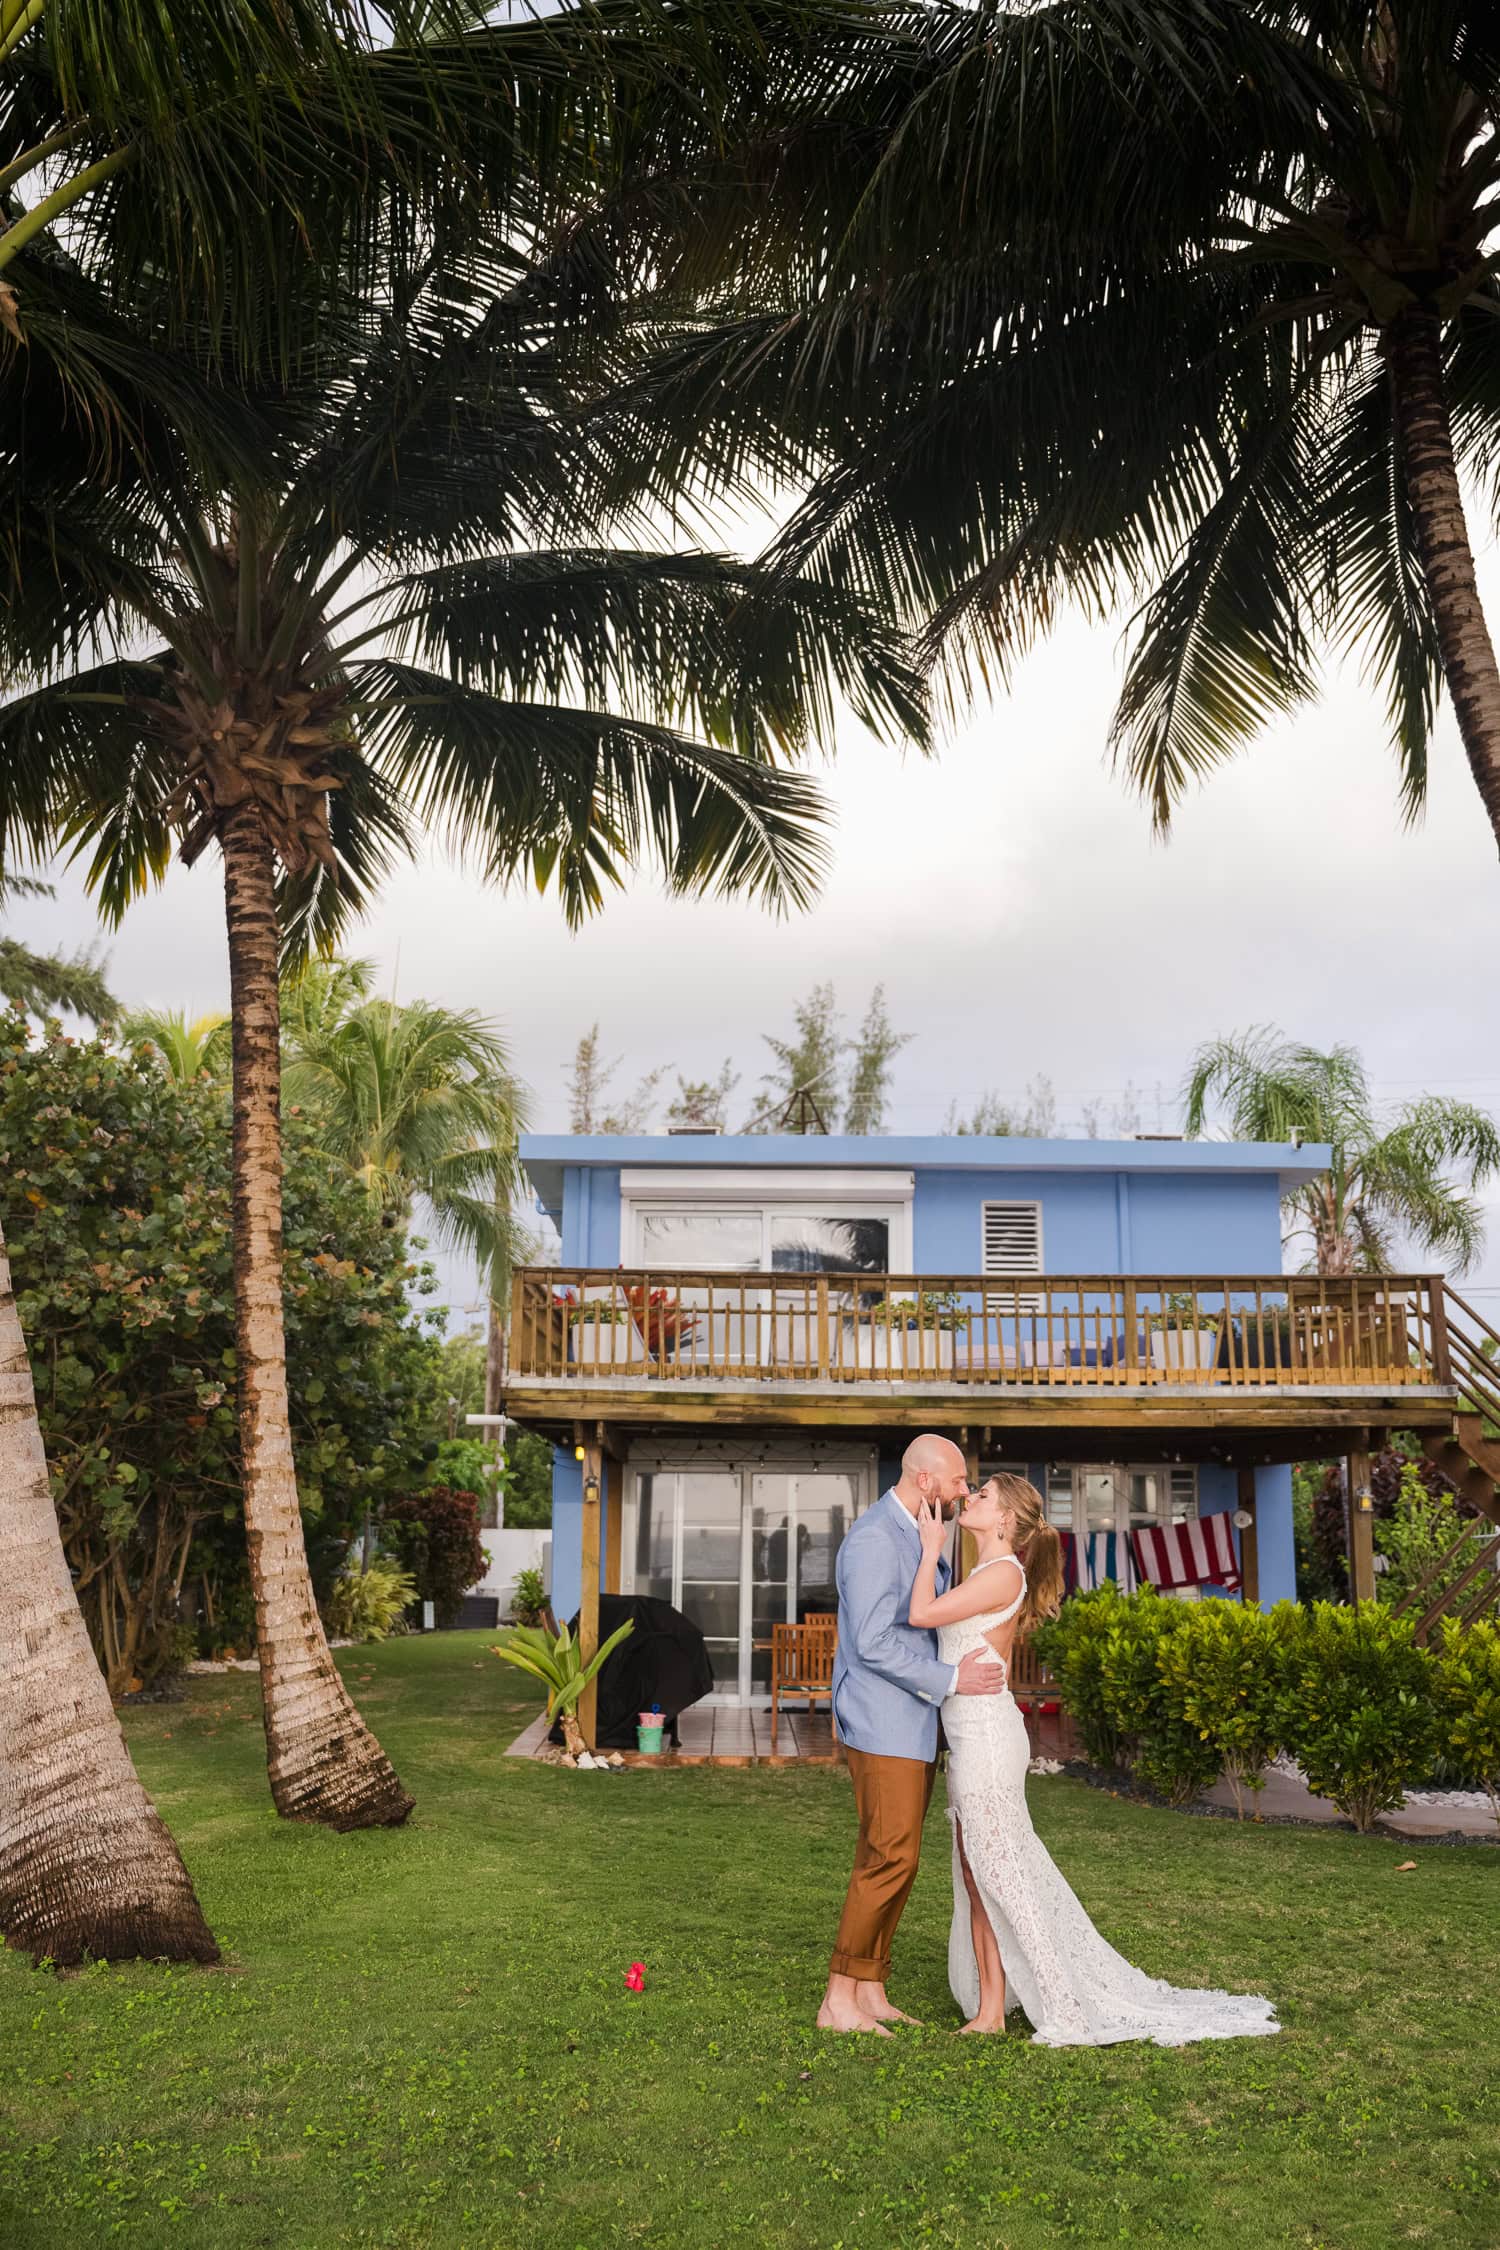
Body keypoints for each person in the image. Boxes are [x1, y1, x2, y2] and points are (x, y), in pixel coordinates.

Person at [909, 1473, 1280, 2046]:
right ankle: (989, 2008)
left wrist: (931, 1548)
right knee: (975, 1876)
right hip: (968, 1737)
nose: (971, 1498)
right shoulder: (985, 1570)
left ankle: (1062, 2003)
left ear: (1006, 1519)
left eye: (982, 1495)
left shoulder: (1003, 1571)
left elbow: (921, 1615)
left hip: (986, 1739)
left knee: (1002, 1876)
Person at [817, 1434, 1006, 2036]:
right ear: (925, 1480)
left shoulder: (922, 1534)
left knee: (898, 1859)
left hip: (914, 1723)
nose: (963, 1489)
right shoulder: (875, 1538)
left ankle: (869, 1988)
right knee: (887, 1857)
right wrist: (950, 1678)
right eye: (956, 1480)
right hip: (883, 1722)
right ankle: (836, 2000)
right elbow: (872, 1642)